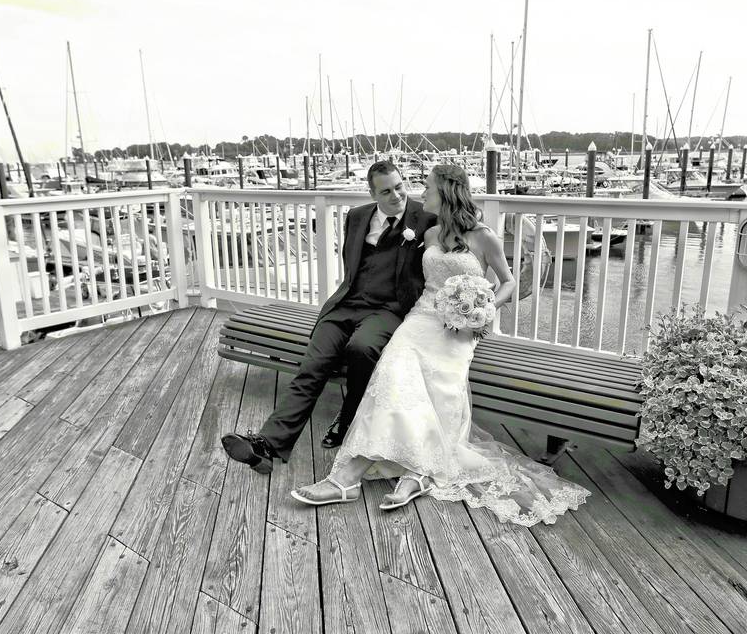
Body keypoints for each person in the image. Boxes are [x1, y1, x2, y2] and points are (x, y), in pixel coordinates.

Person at [290, 164, 589, 527]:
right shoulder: (428, 233)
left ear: (447, 192)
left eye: (427, 186)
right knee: (392, 374)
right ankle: (350, 478)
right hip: (420, 319)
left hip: (460, 330)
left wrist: (484, 308)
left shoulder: (484, 237)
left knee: (437, 386)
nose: (421, 192)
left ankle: (411, 473)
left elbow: (509, 282)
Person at [221, 161, 436, 473]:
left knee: (362, 349)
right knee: (313, 366)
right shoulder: (358, 216)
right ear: (372, 193)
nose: (397, 195)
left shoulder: (426, 219)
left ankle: (350, 422)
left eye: (400, 187)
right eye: (386, 191)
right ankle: (267, 445)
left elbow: (462, 230)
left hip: (387, 309)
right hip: (346, 305)